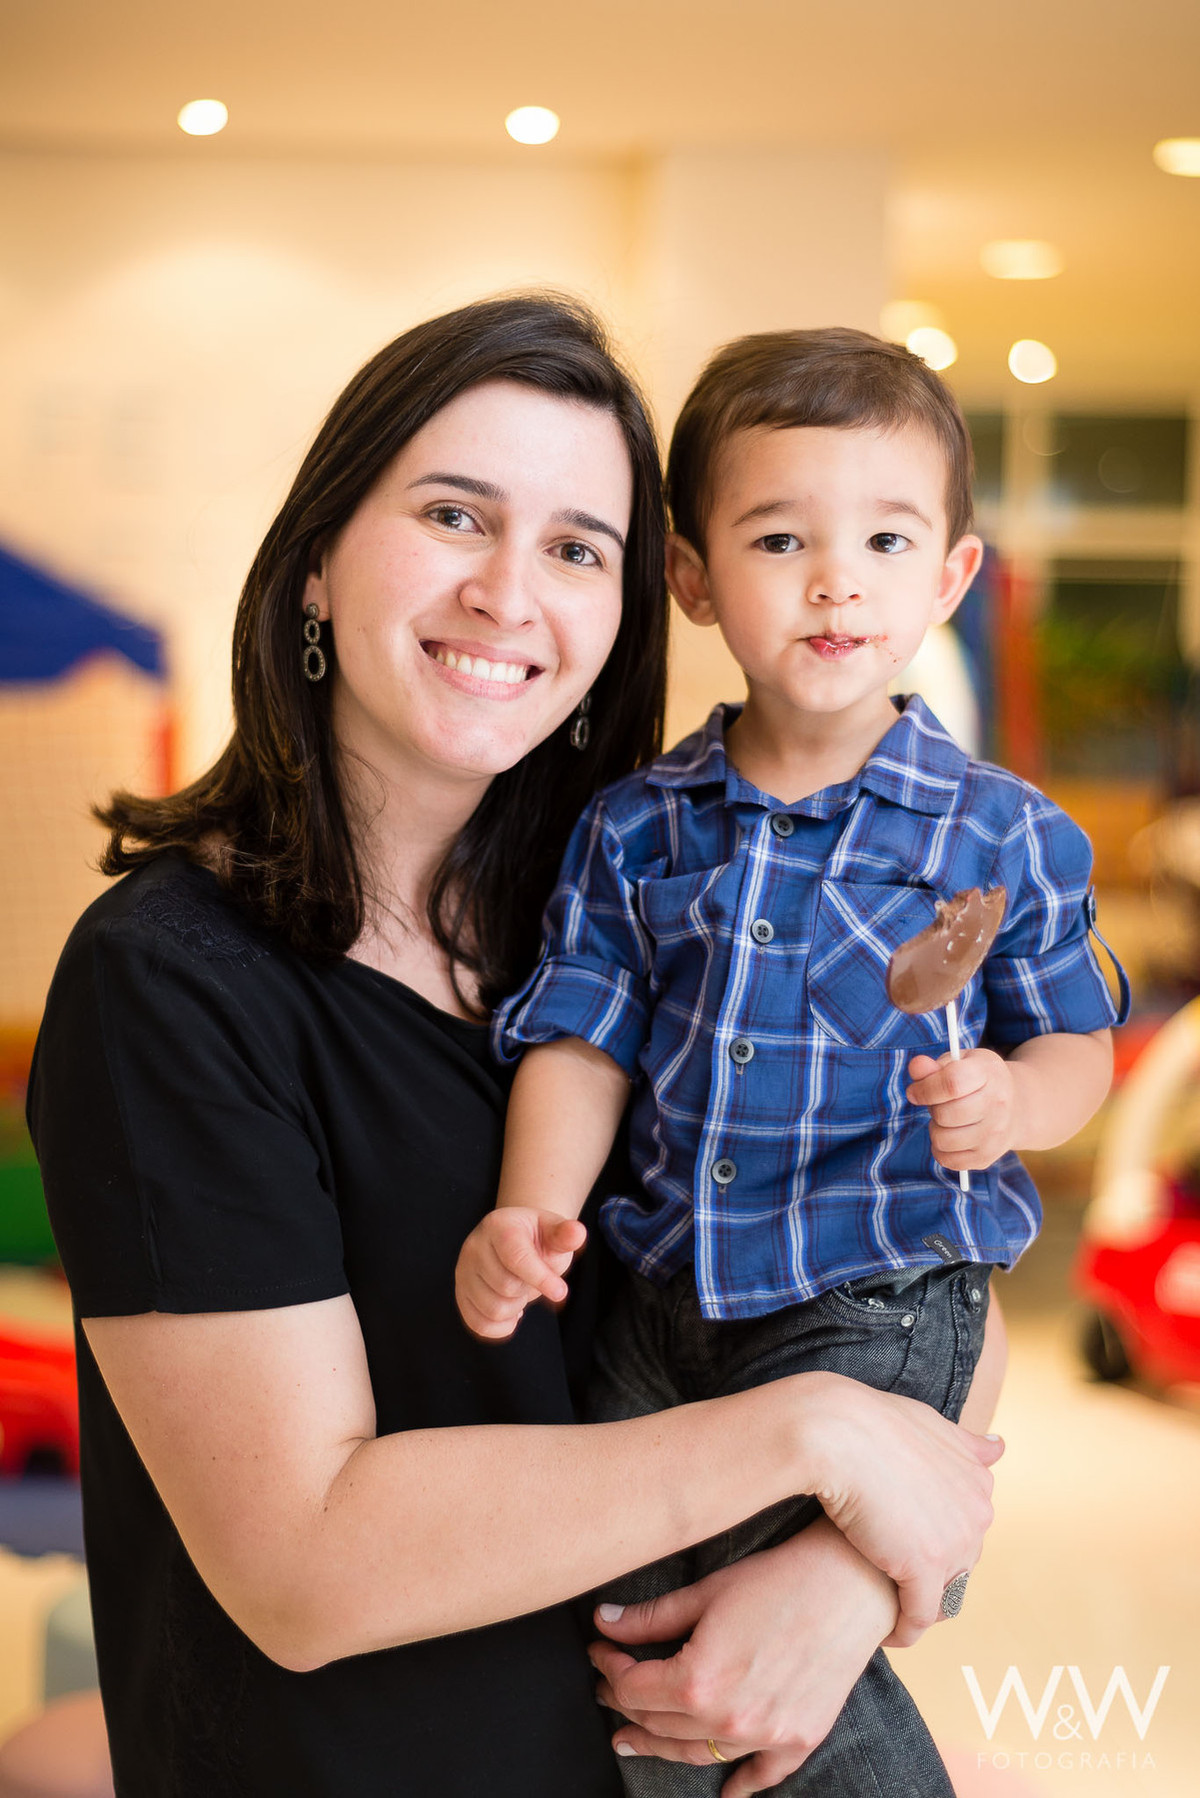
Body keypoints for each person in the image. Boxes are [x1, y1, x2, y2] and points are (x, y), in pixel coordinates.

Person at [28, 299, 1001, 1798]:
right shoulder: (171, 981)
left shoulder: (654, 915)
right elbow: (306, 1559)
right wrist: (807, 1431)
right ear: (314, 559)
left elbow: (930, 1275)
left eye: (574, 547)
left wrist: (839, 1577)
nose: (507, 591)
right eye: (452, 515)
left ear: (631, 605)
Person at [457, 326, 1129, 1794]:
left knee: (778, 1617)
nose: (836, 580)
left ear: (948, 576)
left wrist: (1017, 1097)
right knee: (629, 1632)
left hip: (873, 1296)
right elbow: (584, 1034)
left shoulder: (997, 830)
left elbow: (1081, 1040)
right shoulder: (637, 824)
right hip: (656, 1297)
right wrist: (529, 1207)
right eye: (781, 538)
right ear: (694, 579)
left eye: (886, 539)